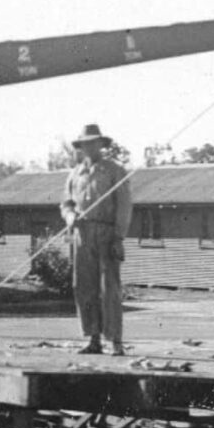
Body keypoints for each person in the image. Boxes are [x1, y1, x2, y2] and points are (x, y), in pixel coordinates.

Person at [60, 124, 133, 356]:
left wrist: (118, 236)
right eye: (85, 143)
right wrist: (70, 216)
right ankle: (93, 339)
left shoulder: (114, 170)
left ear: (101, 144)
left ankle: (116, 341)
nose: (89, 147)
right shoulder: (75, 173)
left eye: (93, 142)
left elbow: (124, 205)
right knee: (84, 287)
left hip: (107, 232)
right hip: (82, 234)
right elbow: (66, 203)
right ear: (80, 147)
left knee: (109, 288)